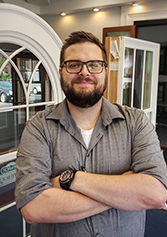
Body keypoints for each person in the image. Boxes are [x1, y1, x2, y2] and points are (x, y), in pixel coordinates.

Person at [15, 31, 167, 237]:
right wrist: (123, 193)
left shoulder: (136, 122)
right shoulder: (38, 127)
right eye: (74, 64)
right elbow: (33, 208)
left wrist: (70, 180)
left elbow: (154, 194)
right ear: (61, 71)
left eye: (94, 64)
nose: (84, 72)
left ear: (106, 71)